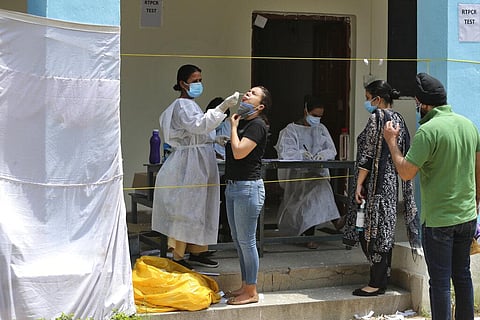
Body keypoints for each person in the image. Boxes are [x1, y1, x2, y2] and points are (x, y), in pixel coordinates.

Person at [384, 73, 480, 320]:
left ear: (422, 103)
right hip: (467, 216)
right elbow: (478, 167)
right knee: (462, 276)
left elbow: (406, 172)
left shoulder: (428, 131)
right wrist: (476, 202)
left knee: (439, 282)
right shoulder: (468, 125)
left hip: (439, 221)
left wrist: (392, 142)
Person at [151, 64, 239, 270]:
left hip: (199, 159)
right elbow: (198, 126)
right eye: (195, 81)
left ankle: (198, 250)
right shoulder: (182, 105)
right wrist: (223, 106)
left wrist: (214, 139)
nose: (199, 84)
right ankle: (179, 255)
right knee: (187, 208)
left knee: (202, 206)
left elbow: (198, 131)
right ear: (183, 83)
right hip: (189, 164)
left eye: (200, 80)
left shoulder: (191, 104)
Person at [342, 79, 420, 296]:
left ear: (377, 99)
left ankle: (376, 283)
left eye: (368, 98)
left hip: (375, 184)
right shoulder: (400, 119)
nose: (367, 103)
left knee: (371, 232)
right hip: (392, 182)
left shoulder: (376, 117)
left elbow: (366, 156)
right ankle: (381, 278)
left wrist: (358, 183)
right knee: (384, 229)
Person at [223, 86, 271, 305]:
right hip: (233, 186)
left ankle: (251, 291)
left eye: (252, 94)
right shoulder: (243, 123)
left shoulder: (258, 125)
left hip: (248, 187)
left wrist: (233, 127)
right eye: (247, 92)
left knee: (247, 240)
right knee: (238, 240)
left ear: (260, 106)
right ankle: (245, 286)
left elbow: (239, 151)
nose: (246, 95)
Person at [274, 95, 340, 249]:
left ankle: (310, 234)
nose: (317, 119)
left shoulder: (321, 129)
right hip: (298, 176)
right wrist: (302, 156)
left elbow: (331, 149)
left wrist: (322, 156)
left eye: (320, 116)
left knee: (319, 188)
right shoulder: (290, 130)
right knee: (317, 189)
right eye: (315, 115)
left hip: (317, 173)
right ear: (306, 111)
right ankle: (334, 221)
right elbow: (286, 153)